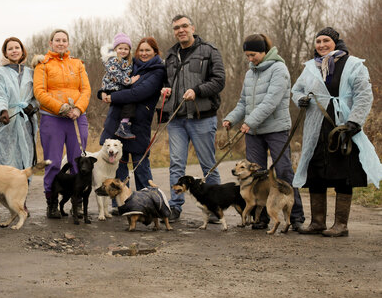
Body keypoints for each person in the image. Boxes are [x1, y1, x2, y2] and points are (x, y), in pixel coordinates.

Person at [292, 27, 381, 237]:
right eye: (318, 41)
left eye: (326, 41)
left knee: (343, 172)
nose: (321, 45)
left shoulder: (353, 65)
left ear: (335, 42)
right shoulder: (310, 67)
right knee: (315, 171)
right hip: (316, 126)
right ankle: (317, 222)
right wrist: (300, 100)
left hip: (342, 125)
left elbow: (364, 95)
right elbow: (296, 89)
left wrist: (354, 122)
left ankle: (341, 224)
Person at [223, 33, 305, 230]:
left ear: (264, 51)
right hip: (253, 132)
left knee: (284, 172)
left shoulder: (279, 69)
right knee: (257, 175)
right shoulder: (250, 73)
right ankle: (262, 217)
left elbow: (271, 102)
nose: (250, 59)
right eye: (247, 56)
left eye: (253, 55)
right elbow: (243, 102)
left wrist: (249, 121)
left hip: (276, 129)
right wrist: (231, 118)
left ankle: (296, 217)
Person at [161, 14, 225, 222]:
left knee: (208, 164)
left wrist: (197, 91)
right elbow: (166, 80)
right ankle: (175, 207)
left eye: (184, 26)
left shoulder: (209, 50)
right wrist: (166, 90)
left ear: (192, 27)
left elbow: (219, 80)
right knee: (176, 164)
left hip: (202, 117)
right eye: (176, 28)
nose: (180, 30)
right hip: (176, 119)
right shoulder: (170, 56)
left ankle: (215, 208)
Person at [33, 29, 91, 219]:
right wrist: (62, 108)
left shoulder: (77, 64)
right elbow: (40, 93)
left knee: (79, 162)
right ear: (51, 43)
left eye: (64, 40)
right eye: (57, 40)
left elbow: (86, 90)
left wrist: (78, 109)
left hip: (76, 118)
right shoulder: (43, 65)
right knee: (54, 162)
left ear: (68, 43)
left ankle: (78, 203)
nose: (60, 43)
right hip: (53, 118)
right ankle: (52, 202)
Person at [100, 37, 166, 193]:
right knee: (119, 165)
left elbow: (138, 93)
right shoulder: (129, 64)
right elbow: (111, 78)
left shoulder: (157, 71)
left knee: (140, 165)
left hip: (139, 124)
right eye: (141, 50)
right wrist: (102, 92)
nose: (143, 53)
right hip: (117, 120)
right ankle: (121, 202)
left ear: (155, 52)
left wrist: (113, 97)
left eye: (148, 50)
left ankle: (146, 200)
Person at [0, 37, 39, 170]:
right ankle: (2, 186)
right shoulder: (0, 73)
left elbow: (37, 95)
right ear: (5, 53)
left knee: (26, 152)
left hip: (25, 121)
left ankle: (23, 185)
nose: (14, 51)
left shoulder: (31, 73)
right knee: (5, 154)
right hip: (8, 120)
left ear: (22, 51)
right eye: (10, 49)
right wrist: (2, 110)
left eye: (17, 48)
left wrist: (33, 107)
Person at [100, 32, 138, 140]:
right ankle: (123, 125)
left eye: (126, 49)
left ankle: (124, 123)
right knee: (128, 100)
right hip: (112, 87)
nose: (123, 51)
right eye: (120, 48)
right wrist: (130, 81)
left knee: (128, 101)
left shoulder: (128, 61)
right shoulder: (112, 60)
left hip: (118, 86)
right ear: (115, 49)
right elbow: (117, 75)